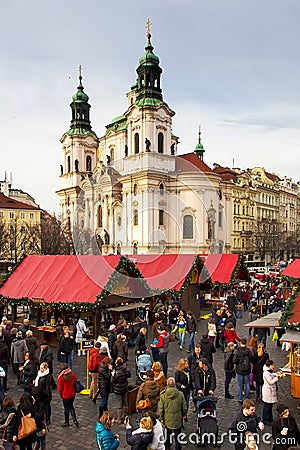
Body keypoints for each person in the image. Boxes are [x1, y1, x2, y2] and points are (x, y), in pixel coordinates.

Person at [158, 377, 187, 450]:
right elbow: (184, 407)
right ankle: (178, 447)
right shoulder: (180, 394)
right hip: (177, 418)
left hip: (167, 418)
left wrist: (161, 418)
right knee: (178, 435)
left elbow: (161, 409)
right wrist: (184, 414)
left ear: (167, 384)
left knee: (167, 434)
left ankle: (167, 446)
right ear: (174, 384)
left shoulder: (163, 395)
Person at [57, 363, 79, 428]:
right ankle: (75, 420)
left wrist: (61, 395)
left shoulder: (61, 378)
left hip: (65, 395)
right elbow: (76, 380)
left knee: (66, 408)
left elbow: (60, 388)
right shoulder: (72, 374)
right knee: (71, 406)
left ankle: (67, 422)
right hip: (72, 393)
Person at [262, 359, 283, 426]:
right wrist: (277, 377)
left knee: (270, 406)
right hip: (268, 391)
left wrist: (276, 374)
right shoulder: (266, 373)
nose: (273, 366)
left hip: (270, 391)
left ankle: (270, 418)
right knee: (267, 406)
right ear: (269, 366)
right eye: (272, 365)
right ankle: (265, 420)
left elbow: (272, 374)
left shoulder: (268, 372)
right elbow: (271, 382)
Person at [112, 357, 131, 424]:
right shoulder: (126, 369)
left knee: (119, 403)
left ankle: (119, 419)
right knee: (125, 401)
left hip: (118, 389)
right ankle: (124, 415)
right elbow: (129, 375)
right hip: (125, 387)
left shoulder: (117, 372)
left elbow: (114, 380)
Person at [233, 338, 252, 403]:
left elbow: (234, 361)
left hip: (239, 369)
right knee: (247, 383)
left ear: (240, 343)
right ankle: (246, 397)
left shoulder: (238, 351)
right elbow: (251, 359)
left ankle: (240, 398)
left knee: (239, 384)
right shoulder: (248, 351)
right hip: (247, 369)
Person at [34, 362, 52, 426]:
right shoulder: (39, 374)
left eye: (42, 368)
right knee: (40, 407)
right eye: (40, 368)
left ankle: (48, 419)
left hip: (45, 395)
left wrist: (45, 394)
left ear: (45, 368)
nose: (40, 369)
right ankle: (41, 419)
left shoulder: (48, 376)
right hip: (39, 395)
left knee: (47, 408)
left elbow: (47, 387)